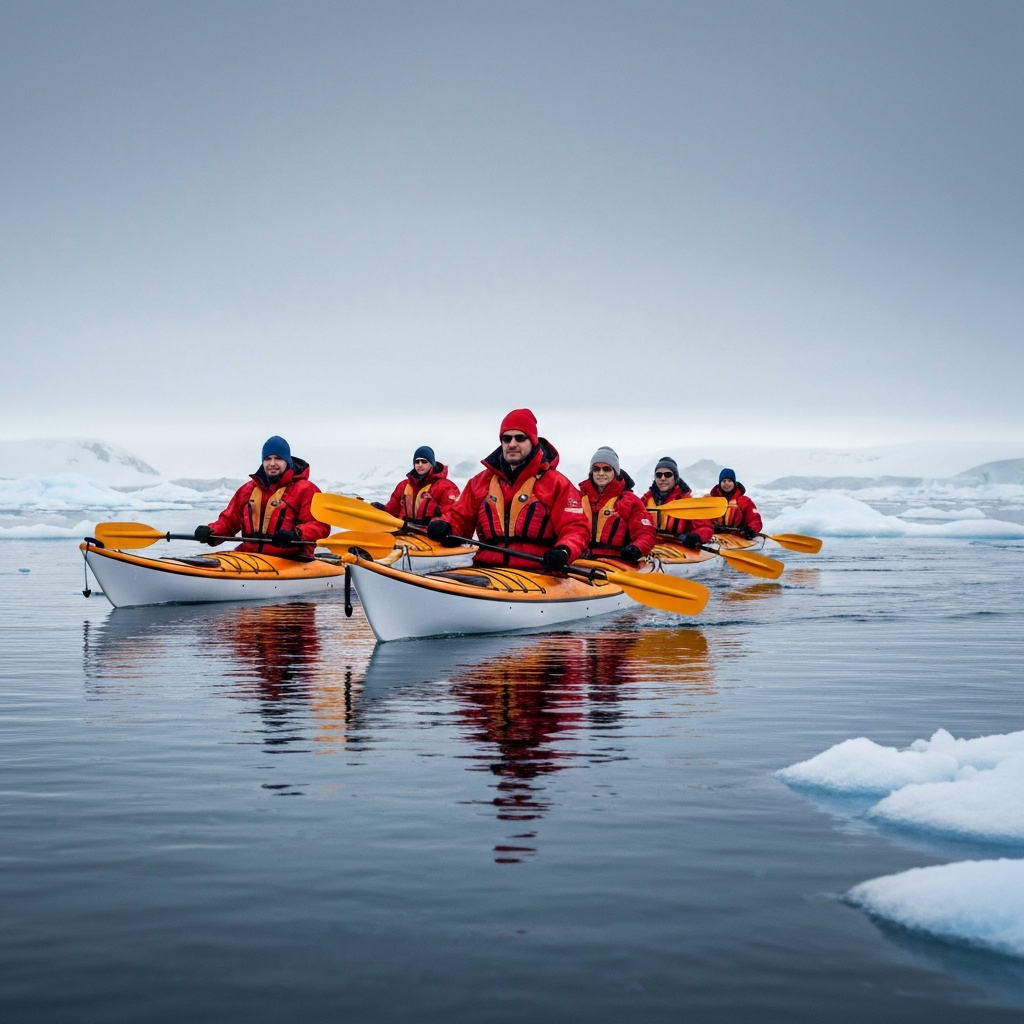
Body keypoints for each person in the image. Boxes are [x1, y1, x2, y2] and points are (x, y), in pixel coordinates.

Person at [426, 409, 590, 571]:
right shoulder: (480, 482)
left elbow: (575, 528)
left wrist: (563, 551)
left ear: (532, 441)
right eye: (506, 438)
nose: (512, 444)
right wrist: (445, 526)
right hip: (487, 569)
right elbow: (459, 518)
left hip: (539, 574)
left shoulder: (556, 484)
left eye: (520, 438)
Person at [194, 436, 330, 559]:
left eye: (278, 458)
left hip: (292, 558)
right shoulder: (247, 490)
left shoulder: (306, 489)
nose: (272, 463)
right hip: (250, 556)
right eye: (267, 459)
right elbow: (229, 521)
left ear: (287, 462)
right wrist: (211, 531)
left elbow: (321, 526)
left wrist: (296, 534)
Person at [578, 446, 656, 564]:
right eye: (596, 469)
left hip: (617, 563)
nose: (601, 473)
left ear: (615, 472)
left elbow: (646, 533)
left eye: (607, 469)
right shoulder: (579, 498)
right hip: (581, 562)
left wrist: (637, 548)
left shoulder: (629, 501)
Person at [372, 446, 460, 526]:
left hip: (430, 537)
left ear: (431, 464)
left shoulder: (446, 487)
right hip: (403, 533)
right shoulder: (403, 486)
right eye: (417, 461)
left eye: (424, 461)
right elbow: (392, 511)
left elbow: (452, 515)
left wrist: (438, 524)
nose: (420, 464)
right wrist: (381, 509)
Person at [640, 456, 713, 549]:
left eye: (668, 474)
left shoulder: (686, 502)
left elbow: (705, 527)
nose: (662, 478)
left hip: (676, 547)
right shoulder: (645, 500)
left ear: (675, 478)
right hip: (649, 545)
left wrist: (696, 537)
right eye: (658, 475)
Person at [708, 468, 763, 539]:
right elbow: (703, 521)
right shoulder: (711, 500)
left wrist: (750, 530)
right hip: (715, 537)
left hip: (738, 538)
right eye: (724, 481)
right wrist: (711, 528)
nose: (726, 483)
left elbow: (755, 521)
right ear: (720, 483)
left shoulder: (744, 501)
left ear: (734, 483)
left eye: (729, 481)